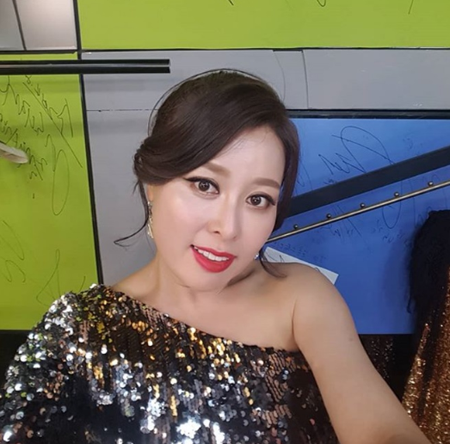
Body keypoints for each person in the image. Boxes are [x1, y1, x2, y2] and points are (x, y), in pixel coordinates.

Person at [0, 70, 430, 444]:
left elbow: (380, 428)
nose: (229, 227)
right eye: (205, 185)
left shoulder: (301, 297)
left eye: (258, 199)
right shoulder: (79, 329)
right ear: (152, 183)